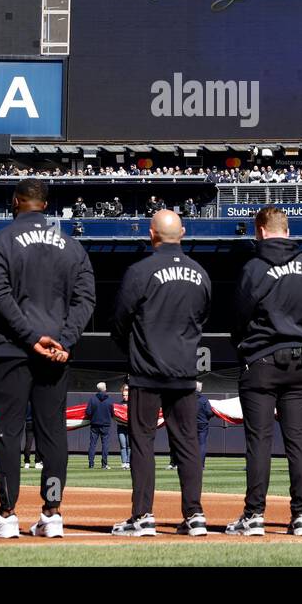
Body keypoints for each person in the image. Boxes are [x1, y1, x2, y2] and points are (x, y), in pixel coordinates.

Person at [0, 178, 96, 539]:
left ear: (16, 201)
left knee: (8, 433)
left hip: (10, 351)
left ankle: (7, 514)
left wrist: (31, 338)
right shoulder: (72, 246)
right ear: (45, 205)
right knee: (53, 435)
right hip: (56, 355)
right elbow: (86, 300)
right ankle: (52, 512)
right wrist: (63, 340)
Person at [109, 210, 212, 536]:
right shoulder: (200, 273)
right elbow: (202, 317)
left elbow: (119, 321)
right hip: (184, 370)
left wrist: (135, 349)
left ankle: (143, 517)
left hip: (146, 371)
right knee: (188, 443)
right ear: (181, 232)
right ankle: (195, 515)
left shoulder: (139, 271)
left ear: (151, 234)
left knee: (142, 442)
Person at [227, 207, 302, 537]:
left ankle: (254, 515)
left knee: (259, 441)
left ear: (261, 231)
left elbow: (238, 315)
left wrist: (243, 345)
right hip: (300, 363)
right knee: (298, 441)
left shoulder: (254, 266)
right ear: (287, 228)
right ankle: (301, 516)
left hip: (261, 362)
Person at [86, 382, 115, 470]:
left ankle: (91, 464)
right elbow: (112, 413)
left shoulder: (92, 399)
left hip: (94, 425)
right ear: (105, 389)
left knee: (92, 444)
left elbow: (88, 412)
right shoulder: (109, 400)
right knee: (105, 444)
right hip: (105, 425)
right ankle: (104, 464)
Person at [196, 382, 213, 469]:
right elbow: (209, 412)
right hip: (202, 424)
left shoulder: (187, 398)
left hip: (190, 424)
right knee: (202, 444)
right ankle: (200, 465)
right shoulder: (204, 399)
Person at [116, 384, 132, 470]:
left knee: (129, 445)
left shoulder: (132, 404)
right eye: (123, 395)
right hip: (121, 427)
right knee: (123, 445)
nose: (125, 397)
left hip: (130, 427)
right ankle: (124, 462)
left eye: (126, 395)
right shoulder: (119, 404)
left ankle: (128, 462)